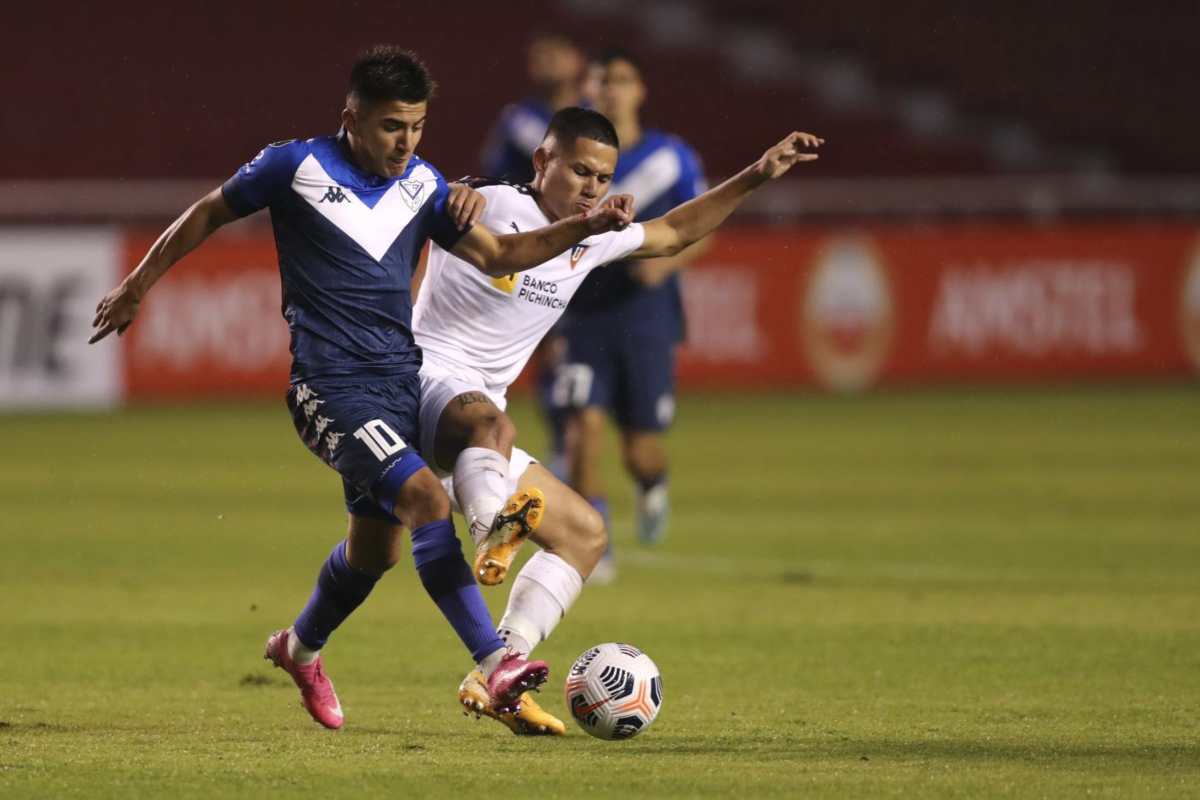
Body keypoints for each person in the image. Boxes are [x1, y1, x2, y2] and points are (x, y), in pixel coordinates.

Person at [88, 46, 631, 731]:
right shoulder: (294, 166)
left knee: (375, 553)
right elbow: (206, 213)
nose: (406, 143)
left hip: (400, 382)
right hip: (330, 386)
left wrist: (584, 225)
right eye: (391, 127)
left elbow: (500, 254)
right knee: (427, 500)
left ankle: (298, 649)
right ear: (352, 119)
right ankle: (496, 663)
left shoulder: (424, 185)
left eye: (417, 127)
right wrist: (138, 284)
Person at [413, 106, 823, 734]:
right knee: (491, 426)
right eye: (580, 170)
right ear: (542, 161)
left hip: (477, 436)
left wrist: (757, 175)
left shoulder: (592, 234)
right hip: (422, 386)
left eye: (603, 177)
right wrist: (448, 194)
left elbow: (675, 232)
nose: (592, 187)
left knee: (584, 535)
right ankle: (492, 528)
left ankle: (497, 672)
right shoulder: (486, 203)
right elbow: (416, 207)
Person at [550, 49, 712, 582]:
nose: (611, 90)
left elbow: (701, 228)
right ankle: (595, 545)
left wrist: (665, 266)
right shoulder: (572, 161)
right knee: (582, 427)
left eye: (621, 80)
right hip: (584, 314)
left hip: (646, 318)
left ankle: (651, 483)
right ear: (587, 90)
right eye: (602, 80)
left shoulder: (671, 158)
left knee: (640, 449)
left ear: (640, 90)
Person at [480, 33, 585, 183]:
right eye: (537, 57)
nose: (544, 63)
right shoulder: (518, 118)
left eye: (552, 55)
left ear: (576, 59)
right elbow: (494, 171)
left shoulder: (596, 111)